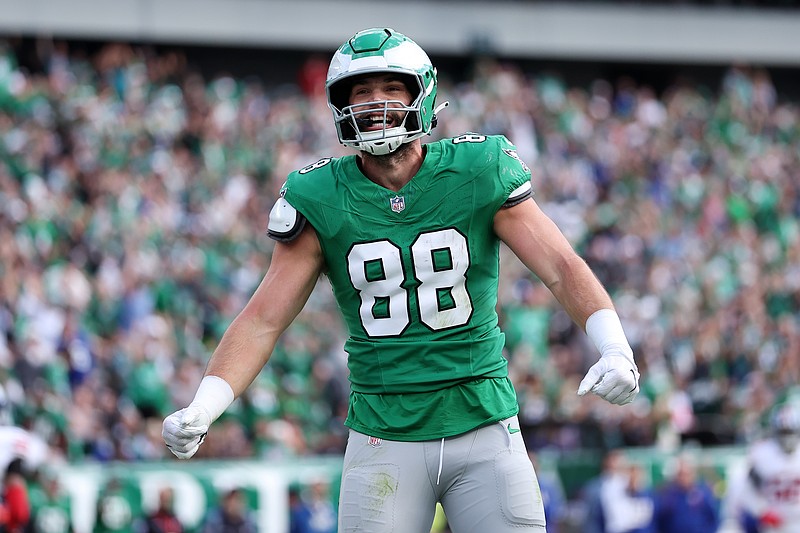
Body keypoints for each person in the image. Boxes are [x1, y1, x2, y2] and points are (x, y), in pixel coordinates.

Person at [162, 27, 640, 533]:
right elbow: (263, 319)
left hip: (483, 421)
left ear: (421, 94)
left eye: (391, 88)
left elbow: (562, 268)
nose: (376, 103)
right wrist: (205, 405)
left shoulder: (477, 169)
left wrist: (614, 346)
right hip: (382, 435)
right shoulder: (321, 194)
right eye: (361, 92)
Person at [734, 397, 800, 533]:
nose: (787, 437)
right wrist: (762, 510)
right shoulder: (762, 454)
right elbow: (745, 488)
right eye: (783, 432)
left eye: (790, 432)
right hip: (774, 525)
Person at [652, 455, 719, 533]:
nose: (684, 478)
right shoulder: (667, 496)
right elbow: (659, 521)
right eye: (681, 474)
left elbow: (713, 519)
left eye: (687, 474)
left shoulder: (703, 494)